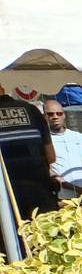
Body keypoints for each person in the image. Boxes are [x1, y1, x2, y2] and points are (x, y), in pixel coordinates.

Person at [0, 85, 57, 219]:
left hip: (7, 200)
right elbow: (51, 156)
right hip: (41, 192)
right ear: (2, 89)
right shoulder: (31, 110)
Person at [43, 98, 82, 201]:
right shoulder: (44, 141)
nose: (55, 117)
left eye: (59, 113)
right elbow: (49, 171)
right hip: (63, 198)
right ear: (44, 117)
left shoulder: (78, 136)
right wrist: (77, 189)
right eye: (50, 114)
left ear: (64, 115)